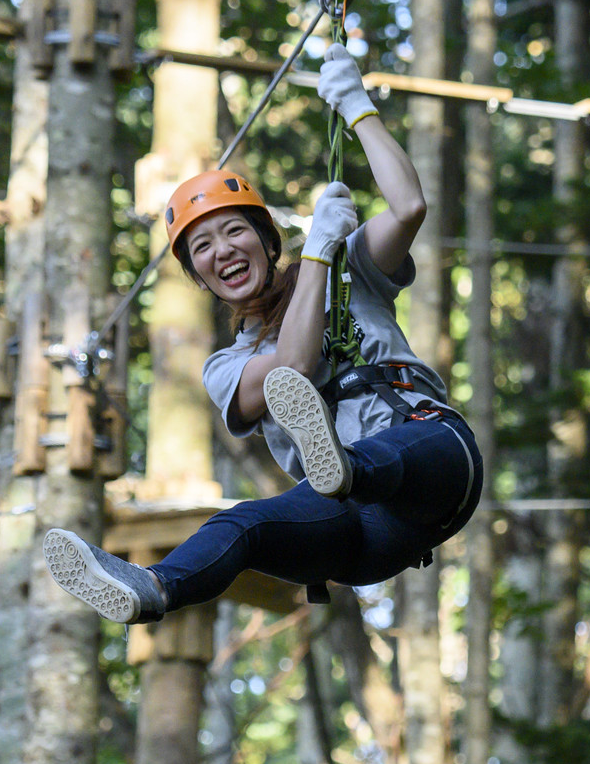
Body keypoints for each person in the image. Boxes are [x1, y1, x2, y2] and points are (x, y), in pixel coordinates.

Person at [43, 42, 482, 624]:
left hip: (430, 461)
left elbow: (407, 207)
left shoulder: (351, 268)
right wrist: (320, 252)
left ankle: (349, 468)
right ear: (199, 274)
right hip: (360, 532)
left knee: (380, 459)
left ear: (266, 239)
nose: (221, 249)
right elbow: (292, 367)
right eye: (202, 246)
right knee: (245, 522)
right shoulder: (227, 366)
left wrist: (356, 106)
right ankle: (153, 588)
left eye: (233, 232)